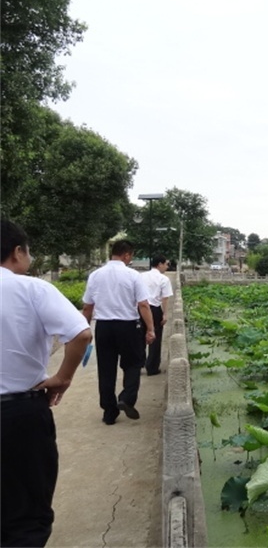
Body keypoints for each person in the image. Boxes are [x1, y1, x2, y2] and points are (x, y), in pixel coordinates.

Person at [1, 220, 92, 547]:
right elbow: (81, 333)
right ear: (16, 252)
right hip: (18, 415)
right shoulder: (31, 288)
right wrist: (62, 379)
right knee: (25, 518)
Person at [81, 240, 155, 424]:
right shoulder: (133, 275)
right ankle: (126, 398)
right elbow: (143, 304)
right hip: (128, 326)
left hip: (104, 327)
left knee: (106, 369)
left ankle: (109, 411)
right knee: (133, 363)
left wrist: (84, 330)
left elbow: (87, 307)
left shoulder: (95, 275)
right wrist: (151, 329)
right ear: (127, 255)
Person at [140, 255, 173, 375]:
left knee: (140, 337)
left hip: (140, 309)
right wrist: (165, 314)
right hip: (154, 310)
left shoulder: (141, 276)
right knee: (155, 338)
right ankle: (152, 367)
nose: (167, 267)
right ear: (159, 264)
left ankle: (138, 364)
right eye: (166, 264)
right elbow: (165, 299)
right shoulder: (163, 279)